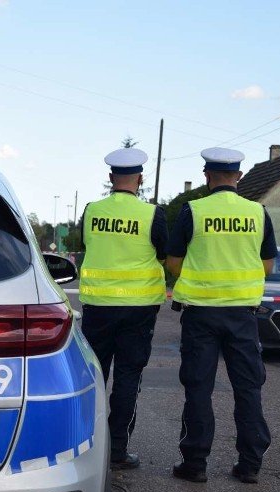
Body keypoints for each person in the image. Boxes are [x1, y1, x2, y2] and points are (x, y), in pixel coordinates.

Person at [165, 147, 277, 484]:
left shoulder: (193, 211)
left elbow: (173, 262)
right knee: (248, 388)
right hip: (243, 315)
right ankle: (250, 464)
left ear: (206, 175)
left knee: (199, 388)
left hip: (201, 315)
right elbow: (268, 265)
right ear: (239, 176)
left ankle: (195, 463)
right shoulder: (258, 212)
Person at [79, 147, 168, 470]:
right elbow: (163, 254)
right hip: (138, 309)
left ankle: (87, 445)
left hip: (98, 307)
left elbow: (87, 246)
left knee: (93, 377)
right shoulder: (152, 215)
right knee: (129, 376)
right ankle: (117, 450)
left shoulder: (91, 211)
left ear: (110, 178)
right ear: (140, 180)